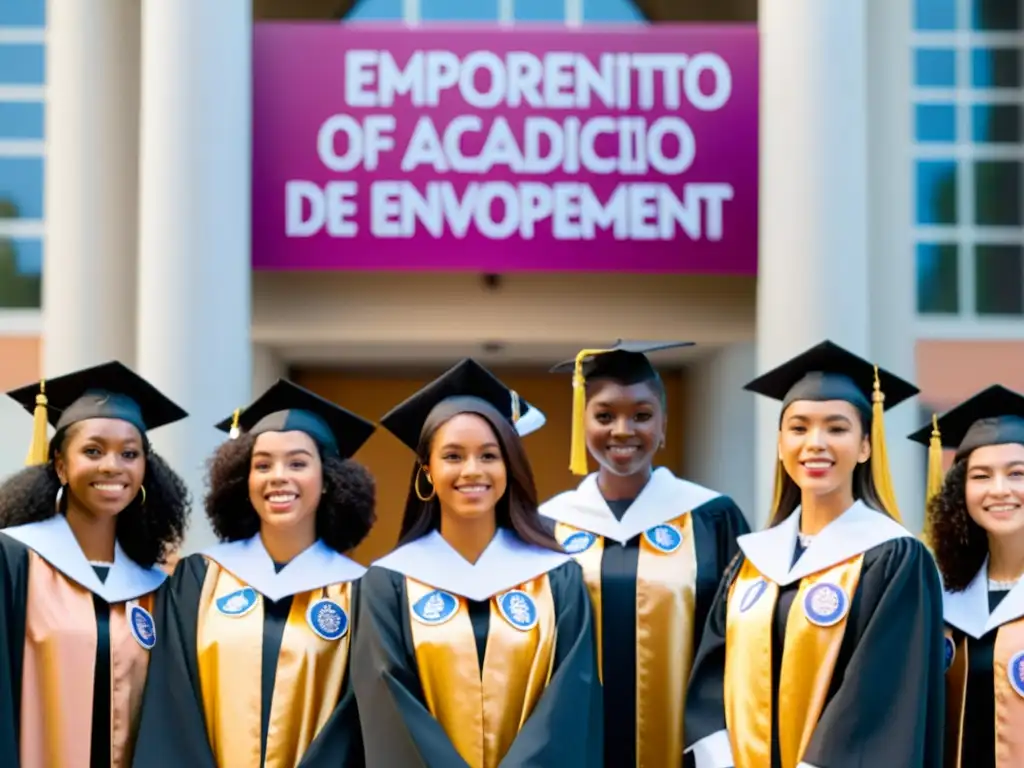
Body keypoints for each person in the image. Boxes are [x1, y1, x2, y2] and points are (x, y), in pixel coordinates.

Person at [684, 340, 945, 768]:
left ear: (865, 447)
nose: (815, 443)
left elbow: (879, 695)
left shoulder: (895, 559)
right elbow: (710, 678)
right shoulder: (751, 562)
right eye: (799, 427)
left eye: (837, 428)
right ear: (781, 443)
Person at [352, 358, 602, 768]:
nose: (472, 470)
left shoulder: (557, 578)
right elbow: (388, 703)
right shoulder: (389, 583)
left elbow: (571, 702)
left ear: (509, 468)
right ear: (427, 472)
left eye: (489, 455)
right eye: (453, 456)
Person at [131, 379, 377, 768]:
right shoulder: (199, 580)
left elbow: (361, 723)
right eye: (262, 465)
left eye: (297, 463)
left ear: (328, 481)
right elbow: (172, 703)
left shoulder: (362, 592)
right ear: (244, 482)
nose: (278, 476)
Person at [539, 340, 750, 768]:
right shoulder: (548, 526)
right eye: (604, 415)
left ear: (663, 424)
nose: (622, 430)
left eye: (641, 415)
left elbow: (740, 640)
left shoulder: (712, 518)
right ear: (583, 423)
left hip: (690, 749)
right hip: (574, 748)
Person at [0, 361, 191, 768]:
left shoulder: (157, 588)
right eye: (93, 451)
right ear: (60, 466)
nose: (112, 466)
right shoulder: (14, 564)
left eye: (129, 454)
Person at [910, 384, 1024, 767]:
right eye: (981, 476)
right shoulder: (942, 599)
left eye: (1017, 473)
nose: (999, 490)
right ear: (960, 492)